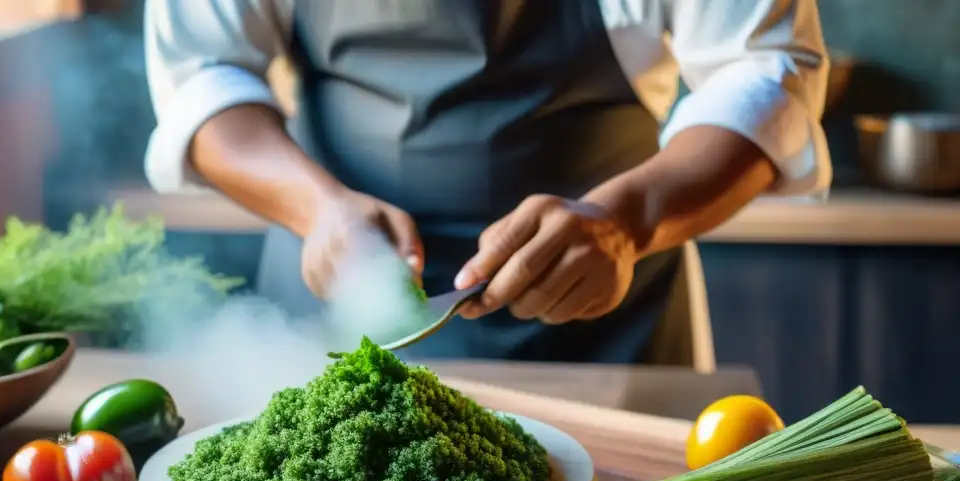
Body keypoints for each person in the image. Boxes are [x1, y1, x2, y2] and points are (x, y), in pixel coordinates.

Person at [143, 0, 831, 365]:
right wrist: (317, 210)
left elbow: (767, 72)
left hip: (604, 330)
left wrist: (624, 223)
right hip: (334, 305)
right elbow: (202, 79)